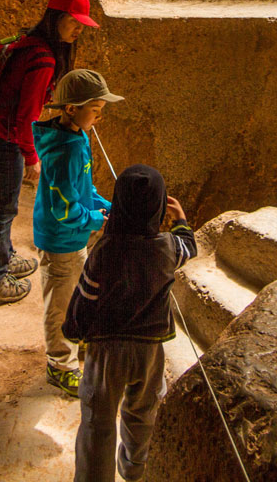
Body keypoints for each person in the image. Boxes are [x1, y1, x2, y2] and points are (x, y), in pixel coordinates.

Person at [63, 164, 197, 482]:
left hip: (106, 351)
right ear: (159, 206)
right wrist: (180, 222)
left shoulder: (104, 251)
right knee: (143, 412)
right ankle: (135, 469)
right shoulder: (166, 248)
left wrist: (73, 329)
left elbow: (85, 298)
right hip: (149, 350)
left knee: (98, 419)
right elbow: (189, 248)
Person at [0, 0, 99, 308]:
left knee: (6, 206)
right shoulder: (42, 58)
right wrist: (30, 156)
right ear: (57, 18)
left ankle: (6, 256)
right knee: (2, 210)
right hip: (2, 140)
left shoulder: (31, 44)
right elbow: (27, 114)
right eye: (74, 22)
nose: (78, 29)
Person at [31, 69, 124, 396]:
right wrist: (98, 220)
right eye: (95, 110)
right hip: (61, 239)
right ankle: (60, 364)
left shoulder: (77, 136)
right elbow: (64, 209)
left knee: (76, 293)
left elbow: (83, 189)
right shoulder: (64, 150)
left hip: (74, 237)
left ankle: (77, 340)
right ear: (71, 109)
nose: (99, 116)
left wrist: (109, 205)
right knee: (60, 304)